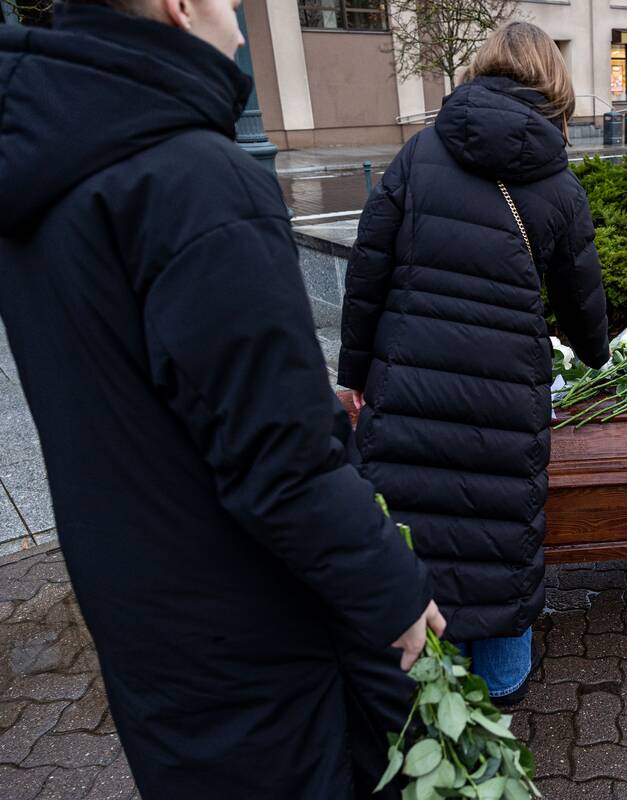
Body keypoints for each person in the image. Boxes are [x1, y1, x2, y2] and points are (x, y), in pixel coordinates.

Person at [0, 2, 445, 797]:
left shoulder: (46, 175)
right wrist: (390, 589)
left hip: (151, 621)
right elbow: (280, 456)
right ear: (178, 6)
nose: (240, 24)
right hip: (251, 626)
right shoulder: (194, 181)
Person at [338, 21, 610, 706]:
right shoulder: (559, 184)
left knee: (414, 518)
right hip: (506, 395)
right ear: (554, 84)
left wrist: (354, 374)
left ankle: (420, 673)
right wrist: (596, 353)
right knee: (499, 528)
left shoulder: (419, 153)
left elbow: (368, 269)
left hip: (410, 378)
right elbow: (582, 303)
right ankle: (502, 679)